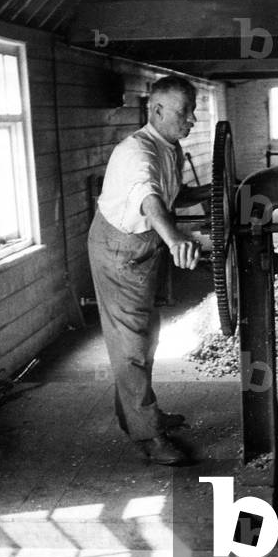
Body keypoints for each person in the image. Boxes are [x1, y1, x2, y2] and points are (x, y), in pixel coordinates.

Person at [88, 76, 209, 466]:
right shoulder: (136, 152)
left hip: (141, 248)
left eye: (192, 111)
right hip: (119, 250)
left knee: (145, 338)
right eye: (183, 112)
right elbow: (148, 197)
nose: (191, 119)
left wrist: (215, 192)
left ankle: (139, 415)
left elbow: (170, 193)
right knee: (131, 348)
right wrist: (175, 240)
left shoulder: (168, 147)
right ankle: (151, 438)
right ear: (156, 110)